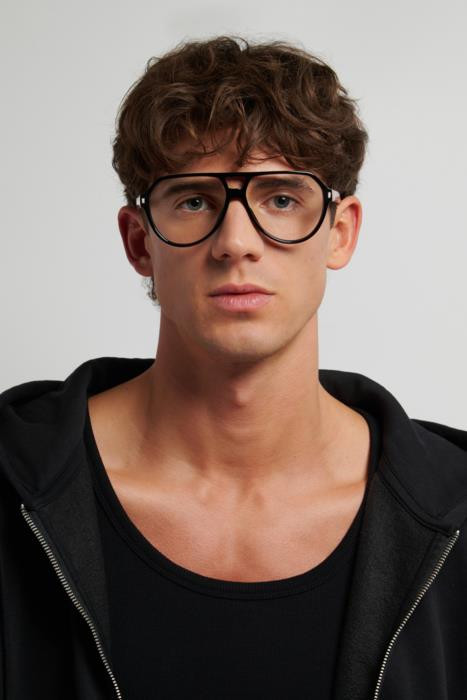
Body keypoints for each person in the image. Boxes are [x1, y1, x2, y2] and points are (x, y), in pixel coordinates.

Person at [0, 35, 466, 700]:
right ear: (139, 241)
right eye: (194, 200)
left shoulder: (453, 507)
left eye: (282, 199)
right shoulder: (12, 482)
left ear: (340, 232)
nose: (235, 243)